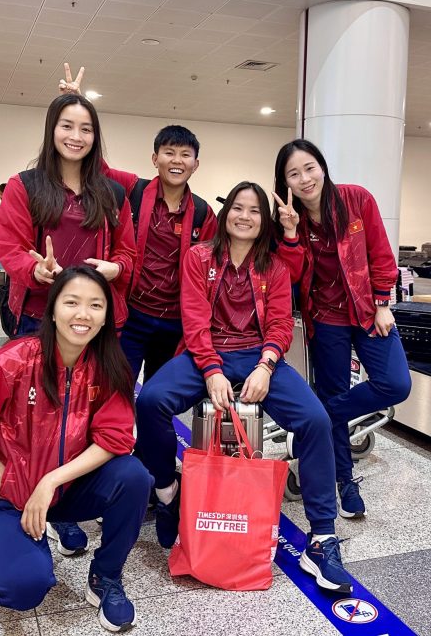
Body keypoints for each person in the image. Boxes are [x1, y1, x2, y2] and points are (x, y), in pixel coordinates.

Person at [135, 182, 354, 594]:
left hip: (258, 354)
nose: (245, 216)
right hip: (206, 351)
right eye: (238, 207)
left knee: (315, 420)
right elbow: (194, 319)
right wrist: (211, 369)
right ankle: (166, 491)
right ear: (226, 213)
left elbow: (280, 323)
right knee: (150, 400)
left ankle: (322, 539)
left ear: (263, 221)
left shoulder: (274, 266)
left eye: (254, 211)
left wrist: (266, 365)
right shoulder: (199, 257)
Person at [0, 266, 150, 631]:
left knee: (134, 477)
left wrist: (50, 481)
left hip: (67, 489)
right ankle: (4, 551)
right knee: (23, 588)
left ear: (106, 316)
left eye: (95, 305)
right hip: (7, 493)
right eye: (71, 302)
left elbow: (114, 439)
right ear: (53, 309)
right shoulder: (13, 361)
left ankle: (105, 577)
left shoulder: (109, 367)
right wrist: (12, 482)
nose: (83, 314)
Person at [0, 91, 136, 555]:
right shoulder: (25, 186)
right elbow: (11, 248)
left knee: (85, 417)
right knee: (34, 419)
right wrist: (35, 269)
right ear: (51, 130)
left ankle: (65, 502)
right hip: (38, 319)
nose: (76, 136)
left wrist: (116, 268)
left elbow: (129, 252)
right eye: (67, 126)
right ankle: (32, 504)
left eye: (86, 128)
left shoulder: (112, 192)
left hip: (92, 323)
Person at [273, 139, 411, 519]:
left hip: (367, 310)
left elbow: (381, 253)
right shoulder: (289, 221)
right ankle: (344, 481)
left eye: (310, 168)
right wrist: (289, 235)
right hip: (325, 320)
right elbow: (289, 277)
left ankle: (318, 413)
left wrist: (383, 303)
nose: (305, 179)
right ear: (285, 182)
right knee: (334, 389)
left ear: (322, 167)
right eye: (294, 174)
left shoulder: (356, 200)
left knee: (395, 384)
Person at [103, 125, 218, 386]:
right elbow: (97, 168)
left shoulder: (203, 213)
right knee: (117, 388)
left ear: (196, 164)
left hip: (174, 324)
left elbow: (210, 270)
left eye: (185, 155)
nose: (177, 161)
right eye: (169, 153)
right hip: (131, 315)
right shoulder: (133, 189)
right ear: (155, 159)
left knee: (158, 396)